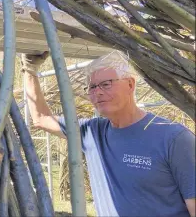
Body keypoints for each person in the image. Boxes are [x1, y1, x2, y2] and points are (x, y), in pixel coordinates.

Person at [22, 50, 195, 217]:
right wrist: (29, 69)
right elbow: (41, 118)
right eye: (91, 87)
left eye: (106, 84)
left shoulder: (174, 139)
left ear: (130, 84)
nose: (97, 92)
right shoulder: (91, 132)